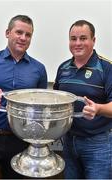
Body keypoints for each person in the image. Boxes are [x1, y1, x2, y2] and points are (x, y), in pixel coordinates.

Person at [0, 15, 47, 179]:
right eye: (19, 32)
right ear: (7, 33)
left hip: (20, 142)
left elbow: (41, 108)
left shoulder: (39, 69)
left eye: (28, 35)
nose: (23, 38)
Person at [53, 20, 112, 179]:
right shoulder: (63, 68)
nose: (77, 43)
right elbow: (56, 102)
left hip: (98, 144)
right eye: (73, 38)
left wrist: (98, 109)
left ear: (94, 40)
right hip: (69, 141)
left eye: (83, 38)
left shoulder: (107, 68)